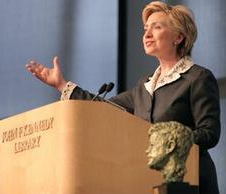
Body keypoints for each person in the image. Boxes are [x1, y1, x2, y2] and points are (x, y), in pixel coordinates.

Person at [26, 1, 221, 194]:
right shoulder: (145, 86)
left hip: (191, 182)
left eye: (157, 27)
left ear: (179, 37)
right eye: (146, 28)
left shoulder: (198, 78)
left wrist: (169, 140)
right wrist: (61, 85)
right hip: (148, 182)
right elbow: (101, 106)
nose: (147, 34)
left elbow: (209, 134)